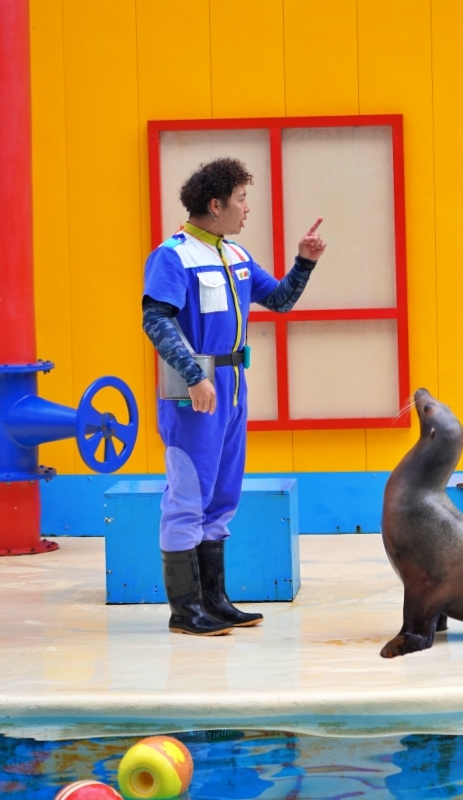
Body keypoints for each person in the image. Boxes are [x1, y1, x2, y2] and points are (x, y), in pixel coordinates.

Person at [142, 157, 326, 635]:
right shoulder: (174, 255)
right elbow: (156, 320)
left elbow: (281, 300)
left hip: (232, 385)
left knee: (222, 495)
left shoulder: (235, 256)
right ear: (215, 203)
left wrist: (304, 261)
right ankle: (185, 611)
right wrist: (192, 375)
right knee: (188, 494)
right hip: (192, 385)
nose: (248, 209)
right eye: (242, 199)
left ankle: (214, 600)